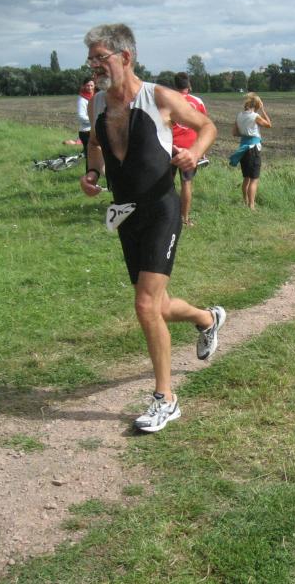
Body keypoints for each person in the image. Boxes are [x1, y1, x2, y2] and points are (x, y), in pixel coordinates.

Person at [79, 23, 226, 433]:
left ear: (126, 57)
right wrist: (92, 172)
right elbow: (95, 144)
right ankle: (207, 318)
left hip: (162, 209)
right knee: (158, 306)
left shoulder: (158, 97)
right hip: (126, 213)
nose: (94, 67)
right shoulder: (97, 105)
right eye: (90, 60)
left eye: (100, 58)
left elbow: (208, 126)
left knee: (145, 305)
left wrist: (193, 152)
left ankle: (166, 399)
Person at [170, 72, 207, 226]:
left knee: (166, 183)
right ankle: (184, 219)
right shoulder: (197, 102)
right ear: (188, 85)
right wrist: (202, 149)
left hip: (170, 147)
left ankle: (165, 216)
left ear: (175, 85)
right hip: (190, 148)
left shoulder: (168, 99)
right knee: (186, 183)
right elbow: (204, 126)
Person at [229, 92, 272, 210]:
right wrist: (263, 110)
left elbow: (234, 133)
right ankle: (251, 206)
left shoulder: (239, 115)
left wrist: (246, 134)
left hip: (242, 148)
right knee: (254, 179)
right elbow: (269, 125)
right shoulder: (255, 116)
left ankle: (245, 201)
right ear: (257, 105)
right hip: (253, 149)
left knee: (246, 178)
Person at [76, 77, 95, 170]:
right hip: (86, 132)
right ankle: (89, 175)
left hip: (93, 131)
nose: (90, 87)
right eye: (88, 85)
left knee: (96, 156)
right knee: (90, 157)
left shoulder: (94, 97)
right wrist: (95, 120)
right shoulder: (82, 99)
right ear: (84, 86)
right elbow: (81, 117)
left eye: (91, 85)